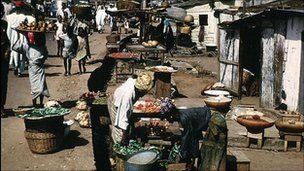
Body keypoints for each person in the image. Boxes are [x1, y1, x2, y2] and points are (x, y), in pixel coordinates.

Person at [107, 72, 154, 145]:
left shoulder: (136, 81)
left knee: (128, 124)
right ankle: (117, 150)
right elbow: (123, 120)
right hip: (115, 103)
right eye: (145, 92)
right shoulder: (127, 97)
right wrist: (124, 137)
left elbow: (133, 77)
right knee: (119, 133)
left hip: (122, 101)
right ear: (140, 91)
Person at [6, 0, 35, 76]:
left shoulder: (9, 17)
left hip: (12, 36)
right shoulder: (24, 17)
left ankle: (16, 66)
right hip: (21, 35)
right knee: (22, 53)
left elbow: (8, 28)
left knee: (14, 51)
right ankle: (20, 70)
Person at [24, 31, 50, 107]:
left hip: (38, 68)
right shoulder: (30, 47)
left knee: (40, 87)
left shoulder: (30, 47)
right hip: (33, 69)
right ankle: (35, 104)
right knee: (36, 87)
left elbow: (45, 56)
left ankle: (39, 103)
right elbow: (45, 56)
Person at [1, 3, 11, 117]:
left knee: (3, 82)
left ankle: (1, 106)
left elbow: (7, 40)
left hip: (3, 57)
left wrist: (8, 50)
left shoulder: (4, 24)